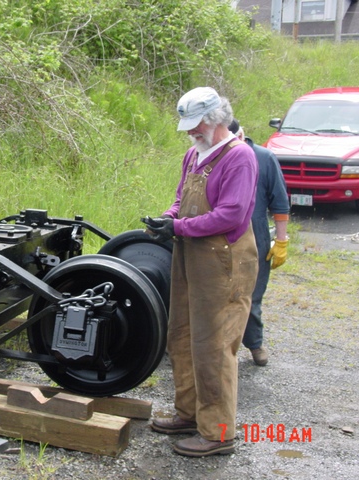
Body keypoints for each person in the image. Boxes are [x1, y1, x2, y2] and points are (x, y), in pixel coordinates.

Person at [143, 87, 258, 457]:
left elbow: (231, 214)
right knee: (182, 336)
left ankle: (219, 433)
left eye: (197, 125)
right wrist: (167, 219)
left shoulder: (239, 157)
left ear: (215, 119)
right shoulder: (194, 154)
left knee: (215, 345)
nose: (192, 132)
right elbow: (182, 199)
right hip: (190, 254)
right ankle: (190, 414)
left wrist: (179, 228)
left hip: (223, 261)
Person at [228, 118, 290, 367]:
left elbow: (280, 202)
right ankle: (223, 349)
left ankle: (255, 345)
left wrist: (281, 240)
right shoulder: (215, 156)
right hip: (222, 238)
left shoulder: (264, 158)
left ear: (242, 134)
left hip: (257, 238)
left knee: (251, 297)